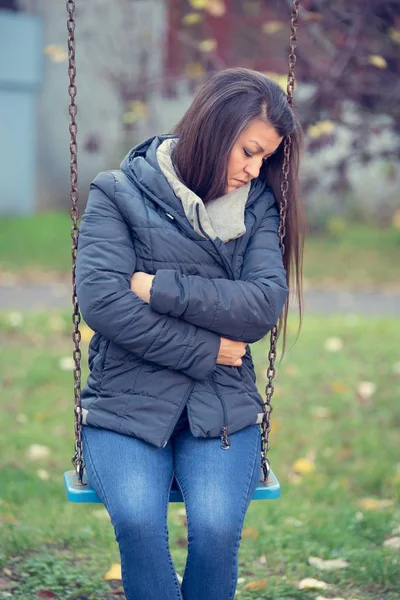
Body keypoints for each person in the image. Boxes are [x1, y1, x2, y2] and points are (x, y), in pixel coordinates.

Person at [76, 67, 304, 600]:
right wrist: (206, 346)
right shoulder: (117, 194)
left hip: (221, 405)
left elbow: (260, 307)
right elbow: (104, 303)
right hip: (125, 402)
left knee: (219, 529)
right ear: (215, 130)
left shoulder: (259, 207)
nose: (254, 170)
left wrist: (159, 289)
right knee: (135, 520)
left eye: (265, 158)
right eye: (248, 151)